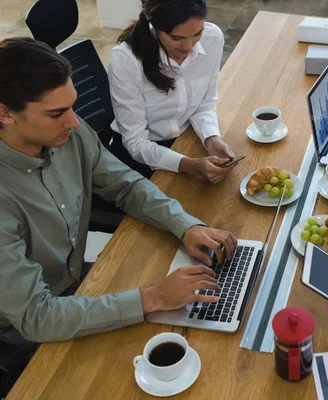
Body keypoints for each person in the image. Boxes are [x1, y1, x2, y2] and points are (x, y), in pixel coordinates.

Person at [0, 37, 236, 394]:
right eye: (55, 113)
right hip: (20, 327)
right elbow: (36, 316)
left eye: (72, 107)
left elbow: (124, 185)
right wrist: (152, 297)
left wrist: (185, 224)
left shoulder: (68, 134)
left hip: (76, 285)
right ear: (4, 113)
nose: (74, 123)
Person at [108, 0, 235, 182]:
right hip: (139, 158)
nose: (189, 47)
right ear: (156, 27)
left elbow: (203, 105)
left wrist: (211, 137)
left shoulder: (212, 38)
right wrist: (188, 165)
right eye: (177, 38)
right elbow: (135, 142)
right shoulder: (125, 60)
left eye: (197, 34)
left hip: (183, 141)